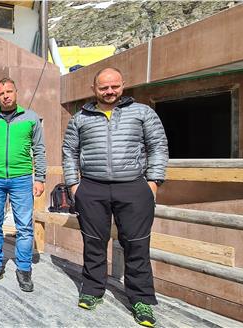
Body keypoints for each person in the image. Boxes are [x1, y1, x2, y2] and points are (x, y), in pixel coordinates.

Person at [62, 67, 168, 327]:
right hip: (92, 188)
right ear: (94, 89)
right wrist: (74, 185)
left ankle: (141, 299)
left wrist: (152, 183)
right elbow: (69, 152)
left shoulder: (142, 113)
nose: (109, 91)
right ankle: (93, 288)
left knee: (137, 244)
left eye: (114, 86)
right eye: (104, 87)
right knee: (94, 242)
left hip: (133, 187)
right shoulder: (80, 118)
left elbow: (158, 147)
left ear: (123, 85)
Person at [0, 78, 47, 292]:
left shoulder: (31, 118)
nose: (5, 95)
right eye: (1, 93)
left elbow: (39, 150)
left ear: (16, 92)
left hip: (22, 178)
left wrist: (40, 177)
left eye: (9, 91)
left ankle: (23, 269)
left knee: (24, 226)